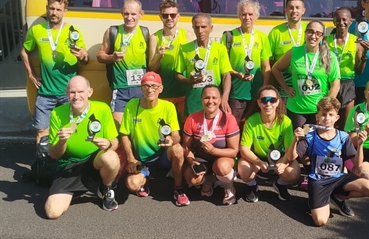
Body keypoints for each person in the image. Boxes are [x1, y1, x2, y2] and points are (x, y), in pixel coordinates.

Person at [288, 97, 369, 226]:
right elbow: (291, 157)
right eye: (323, 114)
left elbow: (357, 164)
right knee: (320, 221)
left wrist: (360, 144)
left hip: (338, 178)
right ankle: (314, 199)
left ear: (337, 118)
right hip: (319, 181)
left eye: (331, 114)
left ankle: (338, 197)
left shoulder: (343, 136)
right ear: (317, 117)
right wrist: (295, 140)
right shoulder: (310, 136)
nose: (327, 118)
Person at [44, 76, 120, 219]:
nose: (76, 96)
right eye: (72, 92)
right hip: (68, 166)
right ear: (67, 93)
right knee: (52, 212)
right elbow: (54, 155)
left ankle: (106, 188)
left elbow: (115, 142)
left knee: (110, 156)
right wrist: (61, 142)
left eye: (81, 91)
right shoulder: (57, 113)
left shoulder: (102, 108)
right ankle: (79, 189)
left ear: (89, 92)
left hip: (94, 163)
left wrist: (108, 144)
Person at [20, 0, 89, 145]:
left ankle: (68, 166)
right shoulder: (37, 30)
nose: (54, 13)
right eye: (51, 9)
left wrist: (83, 56)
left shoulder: (73, 31)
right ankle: (42, 166)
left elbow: (85, 60)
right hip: (46, 93)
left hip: (69, 93)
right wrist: (31, 75)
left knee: (71, 130)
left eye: (58, 10)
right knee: (41, 132)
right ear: (47, 9)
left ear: (65, 11)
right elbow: (24, 52)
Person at [119, 71, 189, 205]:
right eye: (146, 86)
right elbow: (124, 134)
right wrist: (131, 159)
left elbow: (176, 135)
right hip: (142, 160)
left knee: (178, 149)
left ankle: (178, 188)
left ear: (161, 89)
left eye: (154, 86)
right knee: (132, 184)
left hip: (163, 157)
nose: (150, 89)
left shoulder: (168, 107)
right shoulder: (132, 105)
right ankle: (145, 178)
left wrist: (171, 140)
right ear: (141, 88)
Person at [272, 20, 340, 129]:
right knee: (300, 140)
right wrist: (286, 88)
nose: (313, 36)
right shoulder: (294, 52)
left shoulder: (330, 56)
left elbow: (335, 84)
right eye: (310, 32)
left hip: (319, 111)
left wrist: (327, 106)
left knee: (317, 142)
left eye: (318, 33)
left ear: (322, 37)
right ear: (305, 33)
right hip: (297, 109)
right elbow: (276, 69)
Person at [238, 85, 300, 203]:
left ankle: (280, 184)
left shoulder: (286, 121)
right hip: (257, 158)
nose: (268, 104)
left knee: (294, 172)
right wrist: (259, 162)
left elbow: (289, 151)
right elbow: (244, 149)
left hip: (279, 157)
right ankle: (252, 185)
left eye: (272, 100)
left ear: (278, 102)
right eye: (264, 100)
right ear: (258, 103)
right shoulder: (251, 121)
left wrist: (283, 163)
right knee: (244, 170)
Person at [182, 85, 240, 205]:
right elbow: (186, 147)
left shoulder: (229, 119)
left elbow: (234, 151)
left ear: (220, 100)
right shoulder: (192, 118)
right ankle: (208, 179)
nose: (210, 101)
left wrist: (214, 151)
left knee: (221, 167)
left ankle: (229, 186)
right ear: (201, 99)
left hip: (223, 158)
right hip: (201, 158)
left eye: (214, 98)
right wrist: (192, 161)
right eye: (207, 98)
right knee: (191, 178)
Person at [97, 0, 148, 126]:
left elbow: (151, 62)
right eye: (126, 13)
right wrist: (111, 58)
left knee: (139, 127)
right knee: (118, 126)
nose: (129, 17)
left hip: (141, 89)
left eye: (133, 14)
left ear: (141, 14)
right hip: (120, 89)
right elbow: (100, 55)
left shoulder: (145, 33)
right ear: (121, 13)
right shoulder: (112, 31)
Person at [221, 0, 272, 125]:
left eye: (250, 14)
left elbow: (266, 67)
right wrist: (237, 74)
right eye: (243, 14)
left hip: (256, 93)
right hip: (235, 93)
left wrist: (263, 90)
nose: (247, 17)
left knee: (254, 125)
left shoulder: (262, 37)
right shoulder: (229, 36)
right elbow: (224, 67)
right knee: (233, 126)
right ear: (239, 16)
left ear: (256, 17)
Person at [175, 13, 232, 116]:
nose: (200, 31)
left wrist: (225, 97)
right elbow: (177, 74)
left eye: (204, 27)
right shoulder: (184, 49)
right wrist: (188, 81)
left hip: (213, 103)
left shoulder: (220, 49)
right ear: (193, 28)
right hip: (193, 104)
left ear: (211, 28)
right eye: (197, 27)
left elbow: (226, 75)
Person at [148, 0, 190, 125]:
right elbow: (151, 68)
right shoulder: (154, 38)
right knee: (165, 127)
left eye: (172, 15)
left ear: (178, 16)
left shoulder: (188, 35)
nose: (169, 18)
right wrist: (159, 56)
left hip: (184, 91)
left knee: (184, 126)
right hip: (164, 92)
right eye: (165, 15)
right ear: (160, 17)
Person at [326, 7, 366, 129]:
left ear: (350, 21)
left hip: (348, 84)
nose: (341, 23)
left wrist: (364, 55)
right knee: (329, 121)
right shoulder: (325, 41)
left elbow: (359, 71)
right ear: (333, 21)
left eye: (344, 19)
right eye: (338, 20)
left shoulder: (357, 43)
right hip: (330, 83)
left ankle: (343, 147)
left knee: (347, 123)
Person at [268, 0, 306, 103]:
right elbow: (269, 63)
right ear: (285, 10)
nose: (294, 11)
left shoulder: (309, 31)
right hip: (283, 90)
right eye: (291, 8)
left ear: (303, 10)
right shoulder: (276, 32)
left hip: (305, 89)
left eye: (298, 8)